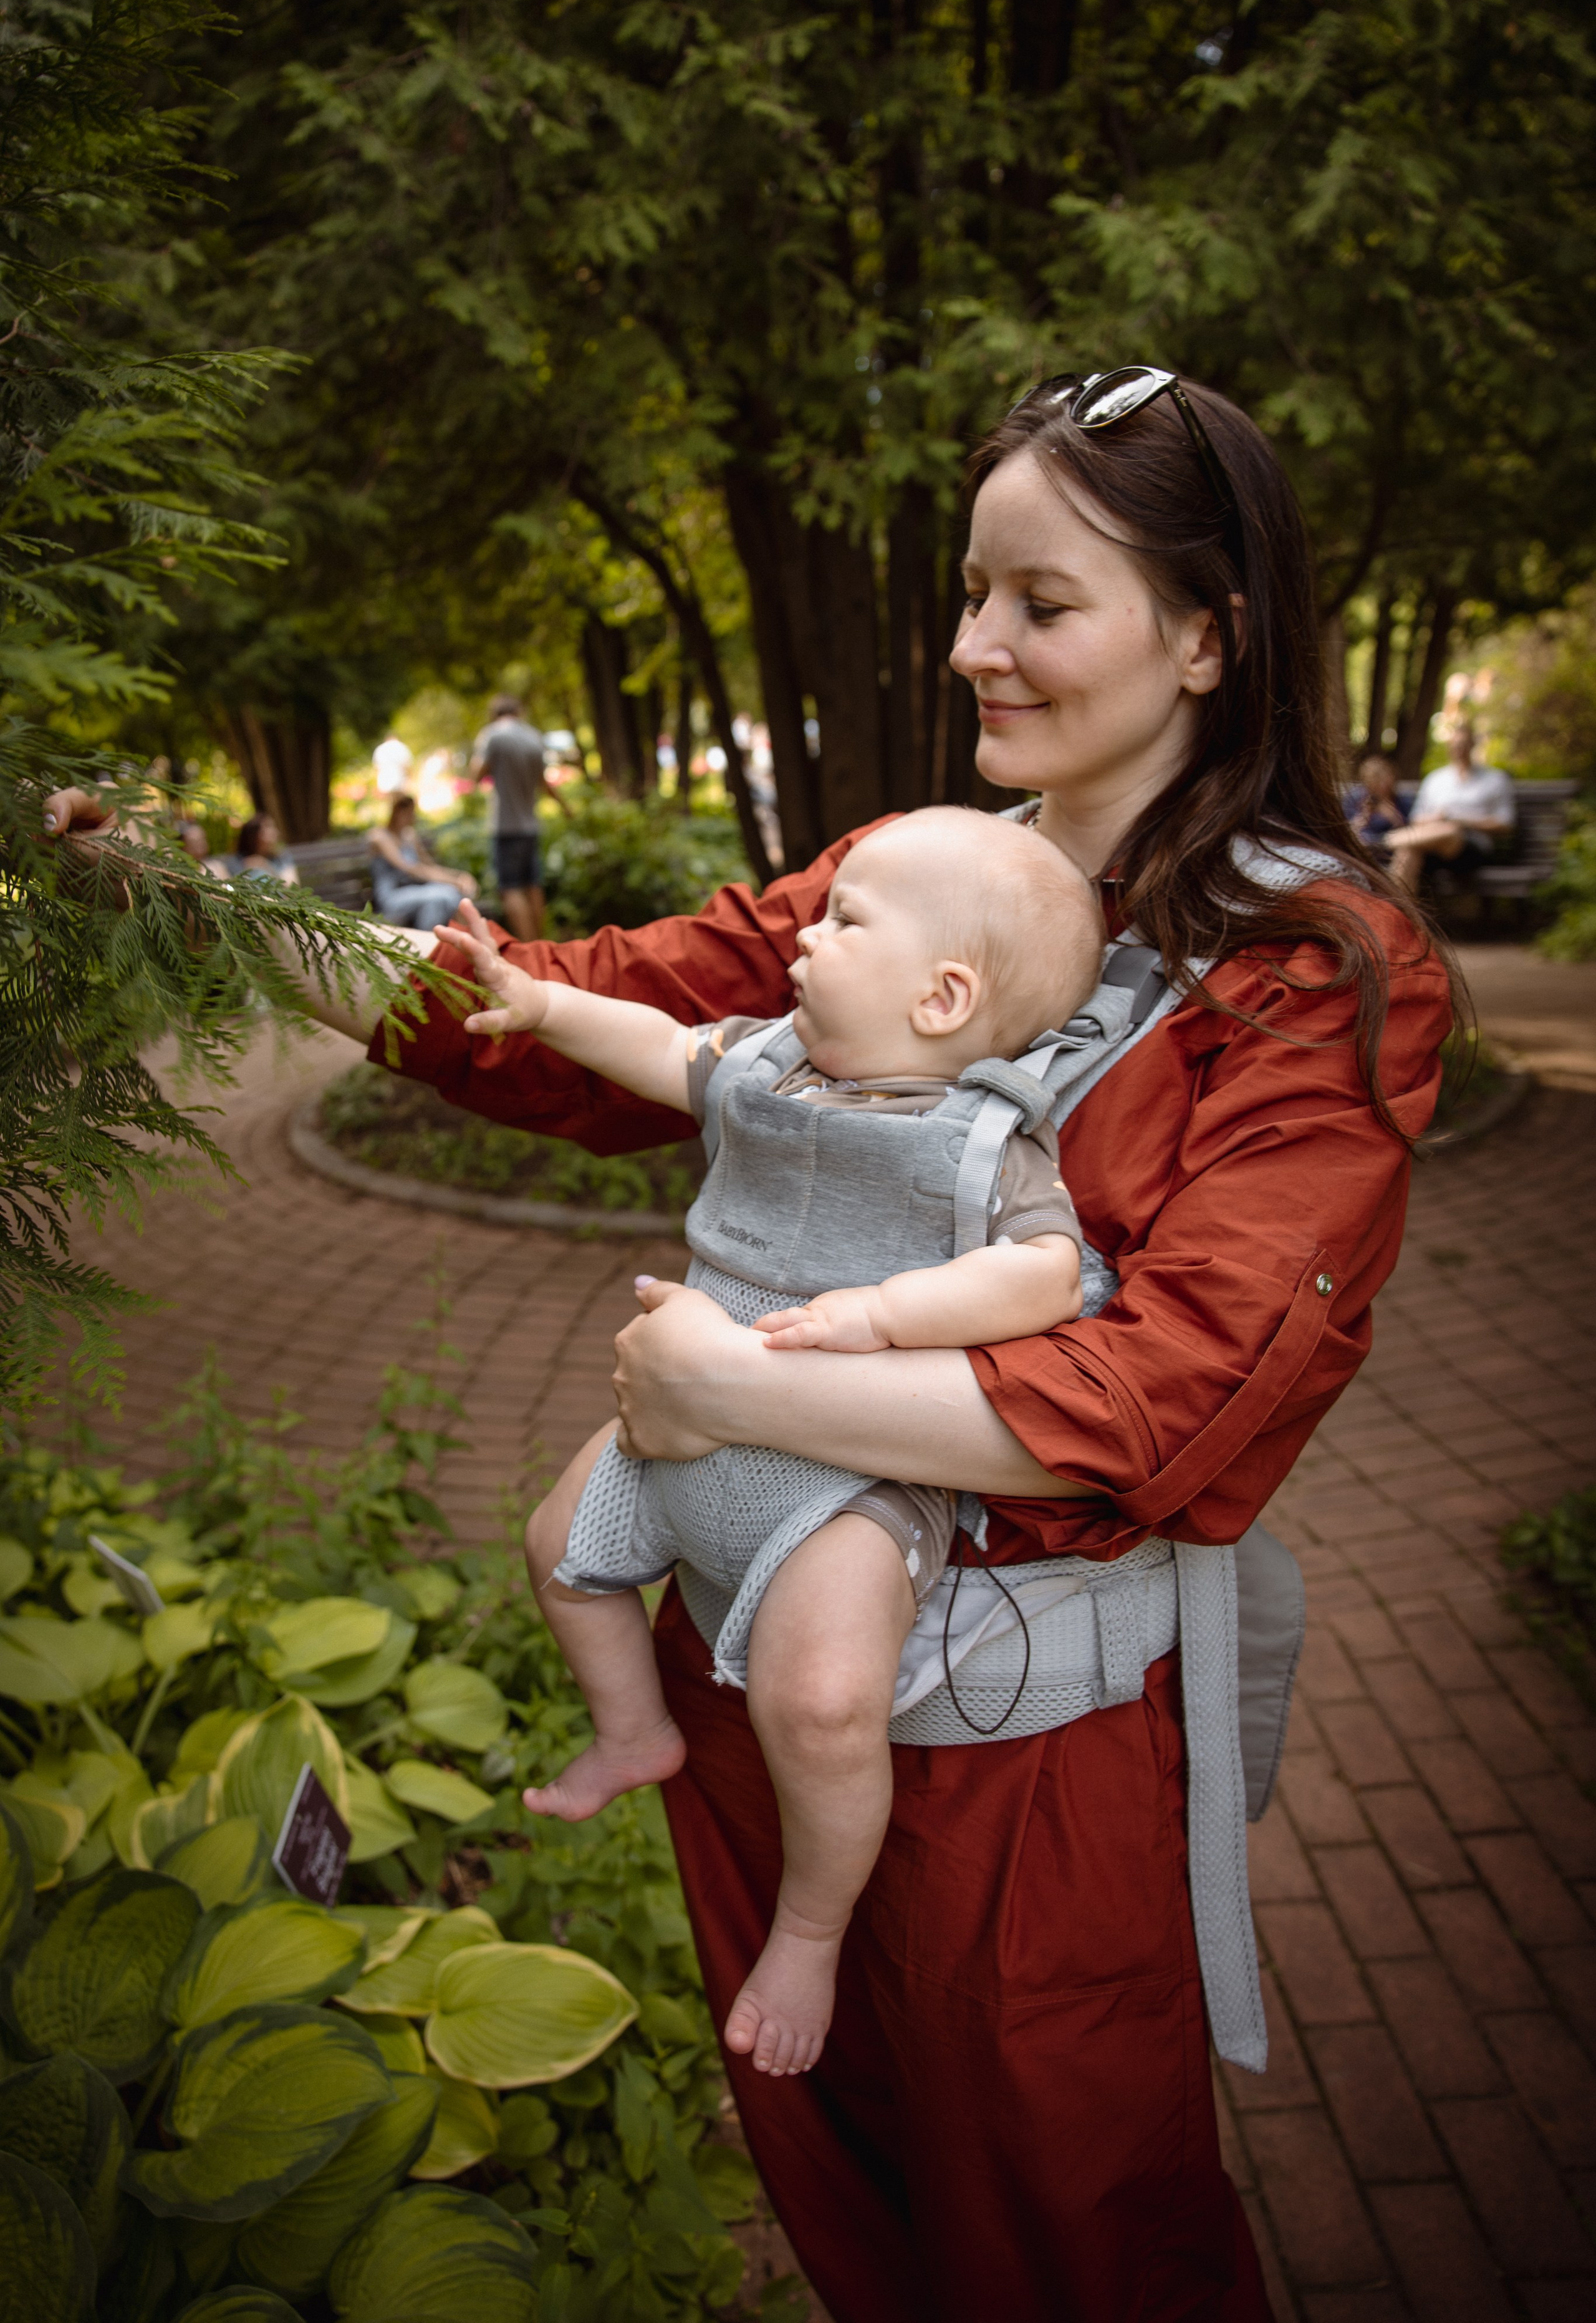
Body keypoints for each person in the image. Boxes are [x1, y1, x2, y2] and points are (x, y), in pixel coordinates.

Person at [41, 365, 1456, 2323]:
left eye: (1041, 602)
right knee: (848, 2180)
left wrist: (739, 1386)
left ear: (1207, 633)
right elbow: (565, 1007)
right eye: (974, 591)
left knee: (1069, 2223)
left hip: (1022, 1770)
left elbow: (1179, 1391)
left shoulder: (1318, 973)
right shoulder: (908, 872)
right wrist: (210, 906)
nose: (973, 644)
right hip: (757, 1685)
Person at [437, 810, 1101, 2080]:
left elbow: (1046, 1274)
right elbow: (661, 1046)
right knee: (558, 1550)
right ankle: (635, 1729)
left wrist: (886, 1315)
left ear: (943, 991)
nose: (805, 936)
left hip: (850, 1473)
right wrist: (538, 1000)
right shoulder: (772, 1059)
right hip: (674, 1421)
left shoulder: (981, 1142)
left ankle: (809, 1929)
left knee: (824, 1698)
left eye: (844, 920)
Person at [1385, 717, 1515, 894]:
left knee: (1450, 830)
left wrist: (1462, 821)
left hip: (1473, 849)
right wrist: (1437, 818)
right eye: (1455, 745)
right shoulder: (1435, 779)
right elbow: (1417, 819)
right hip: (1432, 845)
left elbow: (1505, 824)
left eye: (1463, 745)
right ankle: (1401, 916)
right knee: (1407, 852)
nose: (1459, 750)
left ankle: (1385, 841)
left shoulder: (1495, 779)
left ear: (1473, 745)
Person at [470, 693, 560, 942]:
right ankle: (542, 946)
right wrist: (565, 806)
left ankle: (529, 950)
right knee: (533, 885)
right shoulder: (533, 737)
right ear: (518, 711)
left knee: (510, 888)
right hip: (531, 825)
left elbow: (477, 774)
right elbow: (544, 782)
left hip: (505, 826)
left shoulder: (492, 735)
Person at [366, 793, 475, 930]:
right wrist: (453, 881)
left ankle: (443, 944)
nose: (412, 817)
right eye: (408, 812)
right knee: (442, 896)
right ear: (396, 812)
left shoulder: (409, 835)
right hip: (391, 898)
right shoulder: (379, 837)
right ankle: (432, 943)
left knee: (443, 899)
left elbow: (430, 866)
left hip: (415, 892)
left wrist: (459, 876)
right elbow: (410, 868)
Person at [1341, 751, 1412, 864]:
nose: (1383, 785)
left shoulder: (1404, 801)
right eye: (1377, 780)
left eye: (1387, 778)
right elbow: (1347, 833)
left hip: (1391, 847)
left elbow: (1412, 833)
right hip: (1364, 845)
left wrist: (1392, 816)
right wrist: (1363, 818)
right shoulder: (1356, 798)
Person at [234, 813, 299, 884]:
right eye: (269, 827)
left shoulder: (281, 857)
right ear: (255, 836)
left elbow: (292, 888)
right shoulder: (239, 861)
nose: (276, 833)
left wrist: (265, 865)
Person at [372, 732, 413, 798]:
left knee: (390, 803)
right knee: (400, 802)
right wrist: (410, 781)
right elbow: (408, 766)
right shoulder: (403, 748)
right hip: (401, 781)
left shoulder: (380, 749)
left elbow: (377, 768)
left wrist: (377, 784)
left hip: (385, 781)